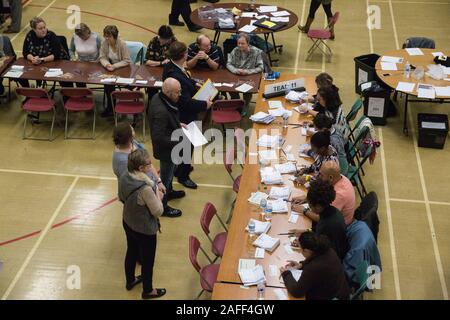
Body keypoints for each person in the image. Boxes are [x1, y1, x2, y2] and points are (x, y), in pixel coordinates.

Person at [162, 41, 213, 189]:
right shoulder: (175, 75)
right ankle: (183, 175)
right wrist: (205, 105)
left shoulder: (171, 66)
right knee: (187, 145)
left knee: (187, 145)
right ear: (183, 56)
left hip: (182, 111)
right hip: (184, 115)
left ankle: (182, 167)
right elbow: (187, 103)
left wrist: (194, 84)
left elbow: (185, 78)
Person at [118, 149, 166, 299]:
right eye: (148, 164)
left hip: (128, 221)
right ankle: (148, 290)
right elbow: (158, 211)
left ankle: (130, 280)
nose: (151, 165)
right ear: (140, 168)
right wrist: (159, 195)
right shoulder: (145, 188)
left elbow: (121, 197)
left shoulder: (125, 175)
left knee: (131, 250)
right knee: (147, 261)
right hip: (145, 230)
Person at [149, 78, 187, 218]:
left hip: (171, 148)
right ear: (169, 93)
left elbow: (169, 121)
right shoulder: (161, 111)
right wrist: (179, 139)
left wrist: (178, 125)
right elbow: (159, 137)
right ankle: (163, 206)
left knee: (170, 174)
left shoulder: (159, 97)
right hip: (167, 151)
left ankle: (169, 192)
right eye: (177, 92)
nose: (180, 94)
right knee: (165, 178)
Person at [280, 231, 350, 300]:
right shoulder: (327, 250)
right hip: (340, 288)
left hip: (331, 295)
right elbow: (313, 258)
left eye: (301, 249)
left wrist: (286, 274)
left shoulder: (313, 268)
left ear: (306, 251)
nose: (301, 251)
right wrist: (301, 265)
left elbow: (296, 292)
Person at [291, 179, 348, 260]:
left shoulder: (327, 225)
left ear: (317, 206)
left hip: (331, 261)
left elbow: (319, 252)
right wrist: (307, 231)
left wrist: (303, 244)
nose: (309, 208)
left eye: (310, 205)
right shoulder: (332, 211)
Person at [292, 161, 355, 226]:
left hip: (336, 228)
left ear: (331, 177)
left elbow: (323, 218)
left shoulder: (339, 194)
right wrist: (308, 198)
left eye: (321, 175)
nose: (319, 177)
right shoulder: (339, 177)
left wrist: (304, 210)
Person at [112, 122, 166, 196]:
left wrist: (158, 181)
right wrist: (155, 192)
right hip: (141, 193)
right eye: (132, 130)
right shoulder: (122, 161)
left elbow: (148, 163)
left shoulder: (133, 143)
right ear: (129, 137)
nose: (134, 131)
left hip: (151, 184)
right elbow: (132, 184)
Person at [21, 17, 69, 87]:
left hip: (55, 62)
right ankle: (29, 93)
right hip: (37, 64)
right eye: (40, 29)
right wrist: (32, 58)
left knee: (63, 78)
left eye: (44, 27)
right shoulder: (29, 35)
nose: (43, 30)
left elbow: (56, 55)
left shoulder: (51, 35)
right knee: (22, 75)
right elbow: (25, 52)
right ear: (34, 29)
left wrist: (42, 59)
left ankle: (67, 94)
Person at [226, 33, 264, 116]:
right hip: (237, 75)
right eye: (238, 43)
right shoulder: (235, 50)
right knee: (230, 87)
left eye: (242, 43)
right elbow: (228, 64)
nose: (240, 45)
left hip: (249, 76)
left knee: (247, 91)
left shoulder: (257, 52)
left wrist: (248, 72)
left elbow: (261, 67)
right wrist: (235, 70)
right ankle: (237, 102)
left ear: (248, 43)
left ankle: (245, 105)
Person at [99, 25, 131, 117]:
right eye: (105, 36)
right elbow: (102, 57)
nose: (106, 38)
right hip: (110, 69)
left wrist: (114, 66)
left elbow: (127, 60)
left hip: (122, 68)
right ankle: (111, 107)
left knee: (131, 86)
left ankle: (127, 106)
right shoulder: (104, 43)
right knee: (108, 85)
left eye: (109, 37)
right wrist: (107, 64)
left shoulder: (122, 44)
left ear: (115, 36)